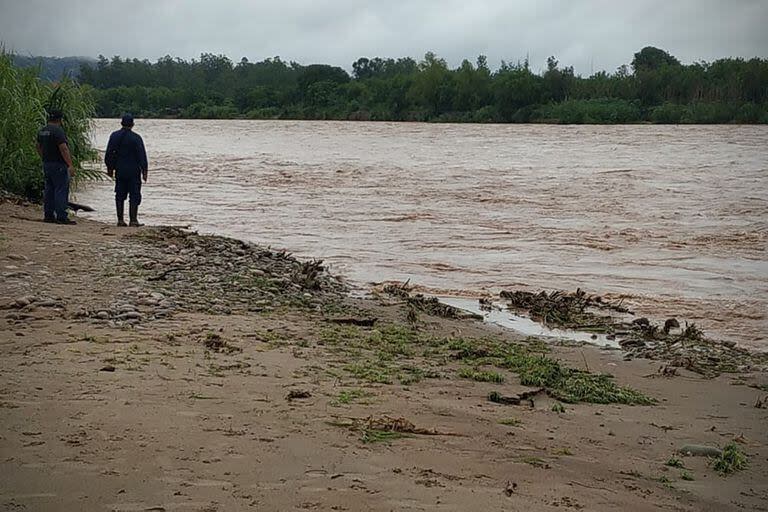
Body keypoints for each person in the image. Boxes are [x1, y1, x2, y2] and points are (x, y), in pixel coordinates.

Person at [105, 114, 148, 227]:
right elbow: (142, 155)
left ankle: (120, 220)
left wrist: (109, 168)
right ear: (133, 124)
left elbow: (109, 153)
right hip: (134, 171)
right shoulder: (136, 138)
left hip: (120, 170)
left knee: (119, 195)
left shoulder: (114, 136)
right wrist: (145, 171)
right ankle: (133, 220)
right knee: (134, 195)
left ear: (121, 123)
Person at [36, 110, 76, 224]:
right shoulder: (58, 131)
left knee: (49, 189)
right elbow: (63, 148)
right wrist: (70, 164)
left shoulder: (43, 130)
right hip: (58, 164)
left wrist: (43, 157)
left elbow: (38, 146)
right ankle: (61, 216)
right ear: (60, 119)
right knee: (61, 189)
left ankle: (48, 215)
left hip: (47, 163)